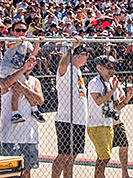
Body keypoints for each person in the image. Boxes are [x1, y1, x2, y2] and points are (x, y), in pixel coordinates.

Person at [0, 58, 43, 178]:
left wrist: (23, 88)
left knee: (27, 172)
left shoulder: (34, 81)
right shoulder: (8, 78)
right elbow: (4, 84)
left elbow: (39, 100)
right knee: (9, 173)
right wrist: (22, 69)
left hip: (29, 135)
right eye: (27, 62)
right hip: (10, 136)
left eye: (31, 64)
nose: (30, 65)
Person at [86, 55, 130, 178]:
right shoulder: (94, 83)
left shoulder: (112, 83)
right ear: (99, 68)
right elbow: (99, 101)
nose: (112, 70)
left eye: (113, 67)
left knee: (103, 157)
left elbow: (116, 106)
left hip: (108, 123)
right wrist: (112, 90)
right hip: (96, 124)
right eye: (109, 67)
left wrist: (126, 99)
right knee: (105, 157)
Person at [51, 37, 89, 178]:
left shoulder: (78, 71)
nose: (86, 58)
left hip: (79, 120)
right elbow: (61, 65)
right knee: (64, 154)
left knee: (73, 155)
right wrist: (71, 49)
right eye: (85, 55)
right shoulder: (67, 69)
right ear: (78, 56)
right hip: (67, 119)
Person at [0, 21, 45, 124]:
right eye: (18, 30)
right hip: (6, 69)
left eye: (23, 30)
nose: (21, 32)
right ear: (13, 31)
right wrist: (19, 41)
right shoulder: (11, 39)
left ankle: (33, 110)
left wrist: (37, 42)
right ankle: (16, 113)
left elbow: (33, 54)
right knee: (19, 87)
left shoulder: (27, 43)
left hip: (17, 70)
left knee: (24, 87)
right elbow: (10, 46)